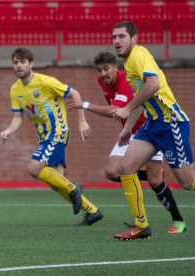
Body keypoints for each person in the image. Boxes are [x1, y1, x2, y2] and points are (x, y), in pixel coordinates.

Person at [66, 51, 186, 234]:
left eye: (106, 69)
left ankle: (178, 220)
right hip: (131, 132)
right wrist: (125, 129)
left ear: (116, 67)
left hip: (149, 128)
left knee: (158, 181)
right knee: (112, 172)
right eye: (100, 70)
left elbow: (117, 110)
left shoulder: (125, 82)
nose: (103, 74)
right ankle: (144, 215)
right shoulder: (103, 81)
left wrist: (85, 105)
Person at [110, 21, 195, 240]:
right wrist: (127, 128)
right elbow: (143, 97)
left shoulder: (139, 54)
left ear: (134, 39)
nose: (117, 41)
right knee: (126, 167)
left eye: (121, 36)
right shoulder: (129, 63)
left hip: (170, 123)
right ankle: (141, 226)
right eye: (114, 37)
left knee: (188, 183)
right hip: (152, 125)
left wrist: (125, 108)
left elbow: (153, 85)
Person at [0, 47, 103, 225]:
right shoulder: (15, 90)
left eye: (22, 62)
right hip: (44, 137)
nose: (18, 66)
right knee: (57, 183)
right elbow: (18, 117)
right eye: (15, 62)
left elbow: (74, 93)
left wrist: (81, 121)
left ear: (31, 64)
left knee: (33, 168)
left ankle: (74, 189)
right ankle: (92, 211)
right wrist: (9, 130)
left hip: (57, 133)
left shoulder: (45, 81)